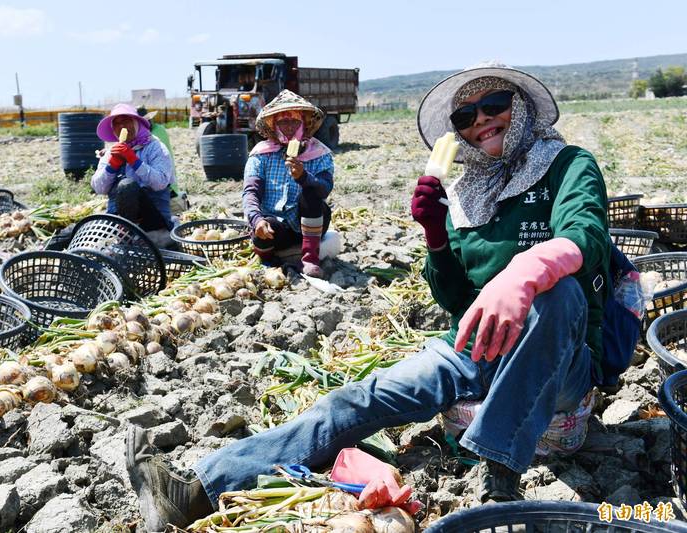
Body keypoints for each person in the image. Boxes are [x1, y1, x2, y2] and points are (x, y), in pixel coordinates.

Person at [125, 62, 611, 529]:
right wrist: (437, 237)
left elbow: (586, 235)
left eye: (494, 103)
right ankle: (195, 491)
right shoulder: (468, 193)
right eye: (466, 116)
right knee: (355, 400)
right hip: (479, 346)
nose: (481, 120)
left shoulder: (566, 165)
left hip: (560, 356)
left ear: (521, 106)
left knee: (558, 292)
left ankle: (498, 471)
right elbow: (460, 302)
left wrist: (524, 272)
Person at [241, 90, 334, 278]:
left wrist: (303, 177)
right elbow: (251, 192)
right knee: (264, 229)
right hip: (276, 227)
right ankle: (267, 260)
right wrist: (256, 220)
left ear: (304, 123)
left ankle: (310, 259)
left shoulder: (319, 153)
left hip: (309, 224)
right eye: (283, 122)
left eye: (294, 121)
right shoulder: (260, 155)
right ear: (274, 125)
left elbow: (325, 188)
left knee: (310, 193)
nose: (289, 127)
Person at [91, 103, 176, 233]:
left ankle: (127, 233)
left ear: (136, 123)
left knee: (127, 186)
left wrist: (134, 161)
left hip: (153, 220)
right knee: (76, 230)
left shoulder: (155, 147)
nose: (121, 126)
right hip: (117, 219)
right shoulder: (111, 153)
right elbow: (99, 188)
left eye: (126, 121)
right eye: (117, 124)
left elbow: (160, 183)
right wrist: (111, 166)